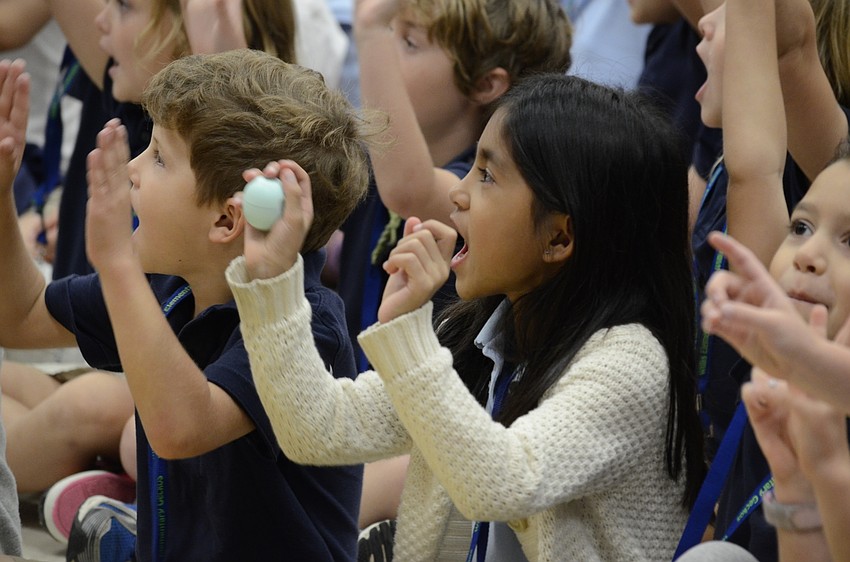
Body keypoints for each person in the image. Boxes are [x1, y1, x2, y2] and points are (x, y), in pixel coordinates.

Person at [228, 72, 705, 561]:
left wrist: (407, 335)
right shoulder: (479, 333)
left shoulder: (632, 366)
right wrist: (273, 278)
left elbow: (501, 481)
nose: (458, 193)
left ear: (559, 238)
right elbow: (316, 427)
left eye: (487, 175)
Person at [0, 49, 369, 561]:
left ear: (226, 222)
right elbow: (17, 318)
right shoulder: (170, 283)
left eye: (157, 157)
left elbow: (183, 427)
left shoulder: (302, 326)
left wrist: (117, 268)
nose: (132, 169)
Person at [339, 0, 572, 369]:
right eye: (389, 35)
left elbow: (408, 191)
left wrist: (370, 31)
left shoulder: (484, 188)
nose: (383, 54)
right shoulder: (371, 163)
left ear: (485, 84)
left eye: (408, 42)